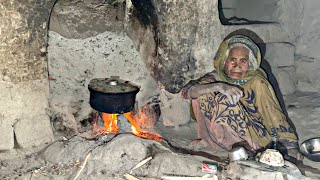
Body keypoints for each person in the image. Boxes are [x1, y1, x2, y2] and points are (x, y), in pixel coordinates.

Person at [181, 35, 299, 157]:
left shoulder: (257, 82)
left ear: (250, 63)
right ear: (224, 61)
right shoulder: (217, 78)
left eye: (243, 61)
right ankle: (210, 142)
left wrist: (288, 144)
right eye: (233, 60)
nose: (237, 66)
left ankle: (244, 146)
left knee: (226, 100)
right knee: (203, 92)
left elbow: (273, 113)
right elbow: (187, 92)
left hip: (253, 135)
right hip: (220, 133)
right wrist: (220, 87)